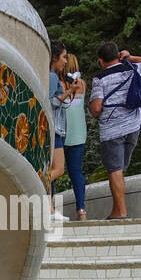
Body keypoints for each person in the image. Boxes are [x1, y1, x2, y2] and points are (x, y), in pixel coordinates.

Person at [90, 41, 141, 219]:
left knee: (115, 170)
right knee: (120, 169)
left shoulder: (99, 79)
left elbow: (96, 108)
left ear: (101, 61)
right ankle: (118, 209)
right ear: (118, 56)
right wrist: (130, 57)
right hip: (133, 126)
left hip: (112, 130)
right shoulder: (132, 69)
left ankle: (120, 212)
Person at [61, 54, 89, 220]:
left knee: (56, 170)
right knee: (76, 172)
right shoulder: (82, 84)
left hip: (63, 131)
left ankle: (51, 205)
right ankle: (81, 209)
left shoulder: (61, 84)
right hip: (79, 133)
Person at [47, 42, 70, 221]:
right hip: (55, 128)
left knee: (54, 169)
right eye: (63, 56)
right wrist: (69, 92)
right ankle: (38, 189)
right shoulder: (52, 76)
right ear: (54, 57)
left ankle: (50, 210)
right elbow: (51, 102)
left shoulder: (51, 76)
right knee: (58, 169)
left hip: (54, 128)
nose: (65, 61)